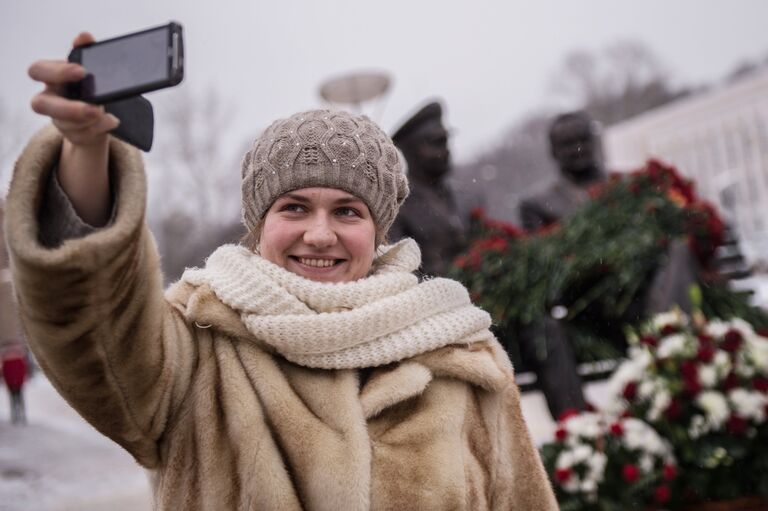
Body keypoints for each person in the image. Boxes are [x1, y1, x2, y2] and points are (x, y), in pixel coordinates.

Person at [5, 32, 557, 510]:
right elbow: (93, 329)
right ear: (258, 223)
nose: (320, 234)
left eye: (348, 211)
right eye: (294, 207)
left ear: (379, 229)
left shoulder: (465, 359)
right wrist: (84, 154)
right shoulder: (196, 343)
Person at [517, 111, 697, 419]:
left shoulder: (629, 186)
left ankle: (668, 340)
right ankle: (664, 344)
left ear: (596, 140)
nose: (578, 149)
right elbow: (549, 269)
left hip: (642, 300)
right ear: (553, 152)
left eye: (583, 140)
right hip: (591, 314)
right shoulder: (537, 204)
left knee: (679, 247)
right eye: (567, 143)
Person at [389, 101, 470, 276]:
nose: (446, 150)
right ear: (410, 150)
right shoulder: (397, 206)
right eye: (436, 143)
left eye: (446, 141)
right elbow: (400, 274)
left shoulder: (462, 196)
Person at [2, 343, 28, 425]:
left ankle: (17, 416)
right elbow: (22, 371)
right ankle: (19, 416)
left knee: (15, 400)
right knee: (18, 400)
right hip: (15, 383)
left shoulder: (7, 360)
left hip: (14, 384)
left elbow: (5, 373)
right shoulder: (18, 359)